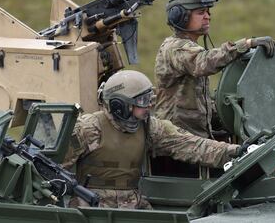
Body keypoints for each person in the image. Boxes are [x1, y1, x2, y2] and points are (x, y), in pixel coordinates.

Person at [63, 70, 240, 209]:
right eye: (142, 100)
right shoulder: (87, 128)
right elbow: (53, 166)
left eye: (149, 99)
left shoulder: (149, 127)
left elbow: (192, 145)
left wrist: (235, 152)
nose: (149, 105)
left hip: (132, 204)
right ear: (120, 105)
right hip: (89, 206)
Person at [155, 0, 275, 139]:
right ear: (181, 17)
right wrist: (246, 44)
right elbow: (204, 62)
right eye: (200, 12)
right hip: (177, 140)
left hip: (196, 135)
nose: (207, 17)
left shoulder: (189, 46)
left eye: (207, 11)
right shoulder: (174, 48)